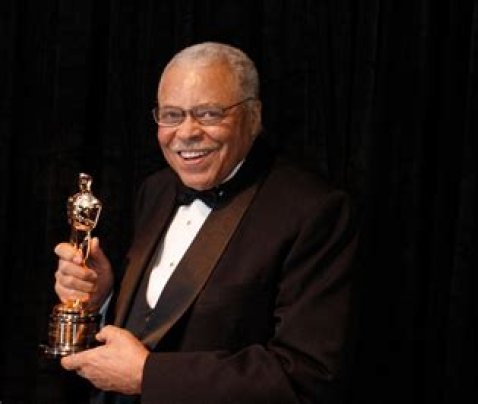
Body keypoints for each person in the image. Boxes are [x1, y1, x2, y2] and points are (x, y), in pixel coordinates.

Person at [53, 41, 357, 403]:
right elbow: (155, 324)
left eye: (209, 114)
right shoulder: (157, 189)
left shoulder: (314, 210)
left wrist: (149, 376)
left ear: (253, 117)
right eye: (172, 115)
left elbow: (305, 376)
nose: (186, 133)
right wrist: (103, 299)